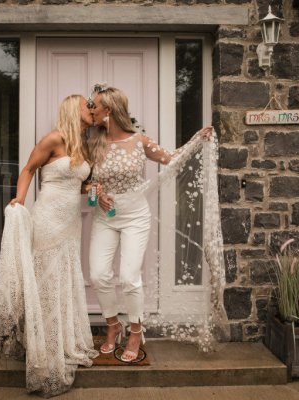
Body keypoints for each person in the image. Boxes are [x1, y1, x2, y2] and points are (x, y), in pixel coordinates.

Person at [86, 85, 213, 363]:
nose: (91, 110)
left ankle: (134, 330)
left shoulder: (140, 141)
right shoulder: (93, 142)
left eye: (94, 106)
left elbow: (170, 158)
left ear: (109, 109)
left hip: (135, 217)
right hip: (105, 218)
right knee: (98, 274)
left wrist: (195, 141)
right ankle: (112, 325)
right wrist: (98, 196)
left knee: (130, 277)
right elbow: (88, 182)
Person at [0, 94, 98, 397]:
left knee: (62, 281)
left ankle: (61, 340)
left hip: (70, 223)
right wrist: (20, 199)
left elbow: (74, 184)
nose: (91, 109)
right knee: (45, 282)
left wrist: (91, 188)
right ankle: (42, 351)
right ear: (73, 110)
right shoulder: (53, 139)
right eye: (86, 105)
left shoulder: (82, 143)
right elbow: (29, 168)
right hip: (47, 219)